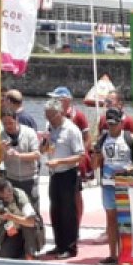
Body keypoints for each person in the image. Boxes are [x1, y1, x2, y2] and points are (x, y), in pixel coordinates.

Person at [91, 107, 133, 264]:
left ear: (121, 122)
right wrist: (95, 156)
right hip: (108, 185)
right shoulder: (103, 139)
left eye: (114, 124)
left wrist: (126, 172)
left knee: (127, 220)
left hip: (126, 186)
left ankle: (128, 253)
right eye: (109, 124)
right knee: (111, 220)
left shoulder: (130, 138)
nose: (112, 127)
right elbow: (94, 166)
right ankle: (113, 255)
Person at [42, 99, 83, 259]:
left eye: (51, 116)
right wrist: (44, 145)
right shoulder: (50, 128)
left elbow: (80, 155)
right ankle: (59, 244)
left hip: (68, 173)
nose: (49, 120)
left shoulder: (71, 130)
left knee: (68, 212)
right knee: (55, 210)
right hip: (54, 174)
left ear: (60, 113)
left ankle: (70, 247)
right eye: (47, 116)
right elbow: (44, 149)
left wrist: (60, 161)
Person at [48, 86, 90, 221]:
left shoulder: (78, 116)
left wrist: (81, 158)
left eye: (57, 99)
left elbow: (87, 139)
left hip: (75, 162)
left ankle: (77, 221)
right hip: (56, 165)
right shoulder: (52, 117)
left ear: (66, 100)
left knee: (76, 194)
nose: (54, 101)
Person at [0, 109, 41, 214]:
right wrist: (3, 151)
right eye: (5, 123)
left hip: (29, 180)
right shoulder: (1, 135)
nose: (8, 126)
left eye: (10, 123)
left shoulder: (29, 133)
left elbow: (36, 155)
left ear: (17, 120)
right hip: (11, 179)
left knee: (32, 212)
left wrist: (18, 155)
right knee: (14, 212)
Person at [0, 178, 39, 259]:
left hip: (28, 231)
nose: (5, 200)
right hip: (12, 231)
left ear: (11, 191)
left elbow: (32, 222)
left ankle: (29, 252)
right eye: (2, 198)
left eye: (7, 197)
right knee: (3, 257)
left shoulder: (20, 197)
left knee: (27, 258)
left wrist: (9, 216)